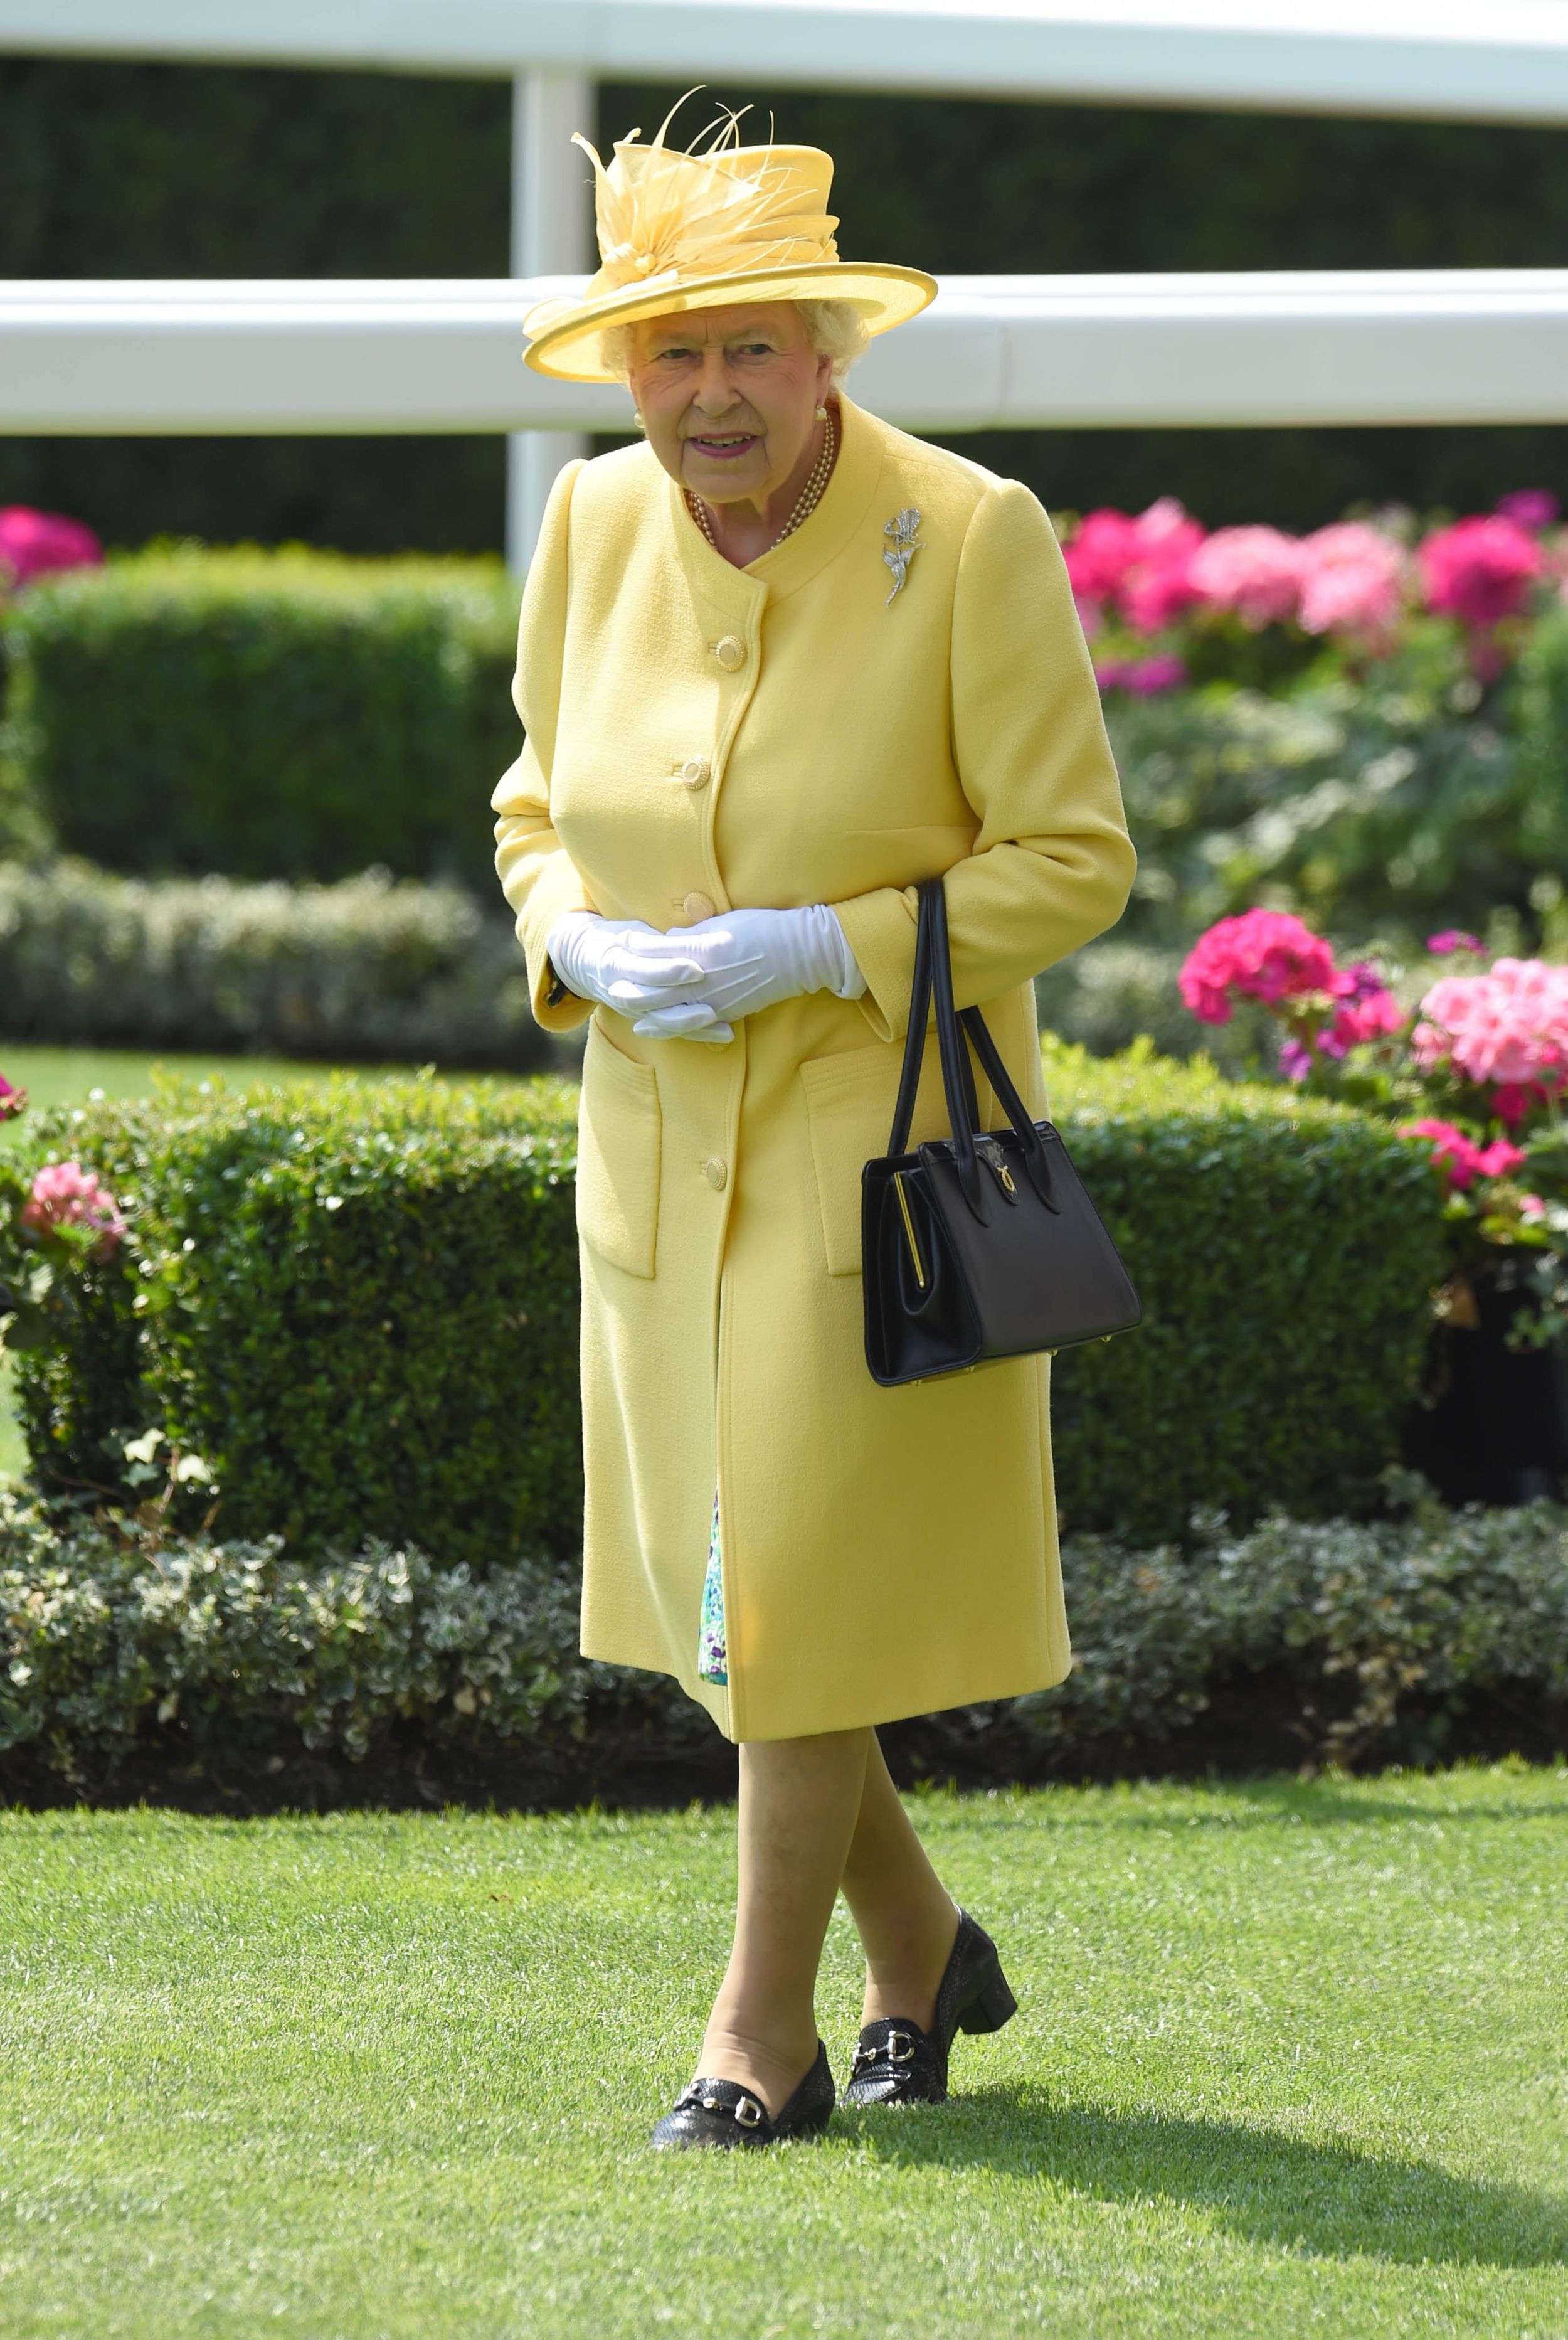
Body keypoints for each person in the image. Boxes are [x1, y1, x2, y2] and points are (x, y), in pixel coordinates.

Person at [493, 105, 1135, 2150]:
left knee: (766, 1587)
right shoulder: (591, 519)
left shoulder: (966, 531)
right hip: (651, 1155)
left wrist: (819, 944)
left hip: (874, 1160)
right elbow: (529, 804)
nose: (709, 394)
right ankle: (919, 1949)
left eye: (750, 349)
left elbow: (1073, 859)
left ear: (825, 356)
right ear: (629, 372)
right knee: (740, 1594)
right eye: (672, 353)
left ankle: (753, 2031)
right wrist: (571, 935)